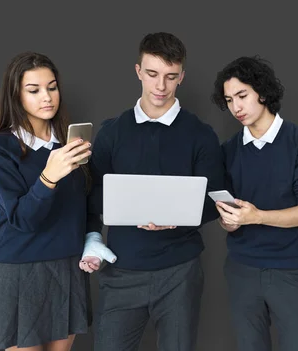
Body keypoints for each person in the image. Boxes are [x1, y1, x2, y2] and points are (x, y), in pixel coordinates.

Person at [82, 32, 224, 351]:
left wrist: (178, 217)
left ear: (181, 77)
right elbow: (92, 197)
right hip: (121, 267)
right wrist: (93, 239)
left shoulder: (201, 135)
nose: (161, 86)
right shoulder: (112, 133)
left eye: (171, 77)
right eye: (153, 74)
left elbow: (216, 200)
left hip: (180, 272)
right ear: (138, 71)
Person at [211, 56, 298, 351]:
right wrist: (229, 220)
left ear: (262, 92)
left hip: (288, 271)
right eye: (229, 100)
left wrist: (256, 216)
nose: (236, 107)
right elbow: (230, 214)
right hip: (241, 271)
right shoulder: (228, 151)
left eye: (242, 95)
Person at [0, 52, 93, 351]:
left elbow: (83, 207)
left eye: (52, 87)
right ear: (16, 96)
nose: (47, 97)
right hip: (22, 269)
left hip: (68, 268)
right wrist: (48, 177)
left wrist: (94, 242)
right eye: (34, 90)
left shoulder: (71, 145)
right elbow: (23, 219)